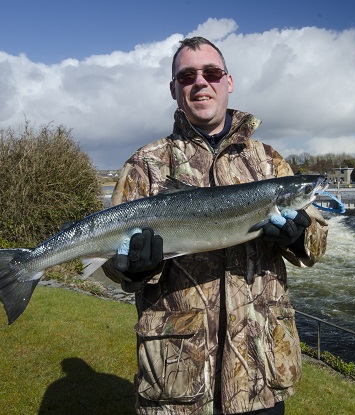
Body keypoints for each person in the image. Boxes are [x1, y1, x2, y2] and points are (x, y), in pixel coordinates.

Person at [103, 37, 328, 415]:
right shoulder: (145, 164)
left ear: (229, 81)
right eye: (187, 75)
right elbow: (110, 259)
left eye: (211, 72)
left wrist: (301, 234)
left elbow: (317, 246)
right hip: (175, 378)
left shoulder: (270, 162)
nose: (200, 82)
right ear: (174, 89)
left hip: (261, 371)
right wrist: (131, 267)